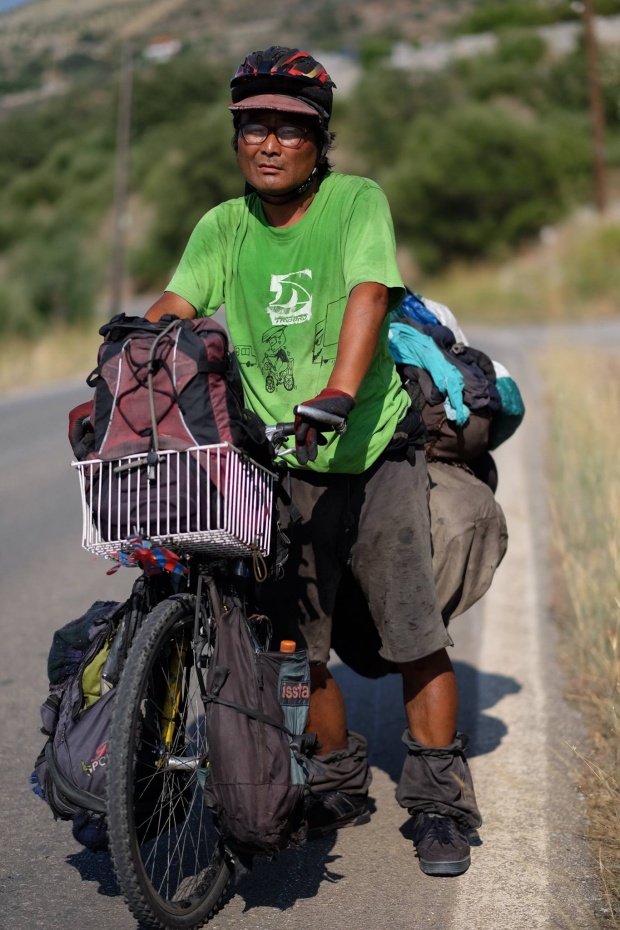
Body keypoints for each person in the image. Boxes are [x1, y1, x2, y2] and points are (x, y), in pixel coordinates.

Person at [144, 46, 481, 876]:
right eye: (252, 126)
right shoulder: (223, 227)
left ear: (318, 140)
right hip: (279, 458)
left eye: (289, 129)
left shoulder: (355, 201)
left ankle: (439, 803)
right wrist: (141, 348)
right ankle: (336, 777)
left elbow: (369, 291)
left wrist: (337, 390)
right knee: (297, 642)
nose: (267, 143)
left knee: (413, 632)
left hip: (369, 448)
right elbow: (177, 303)